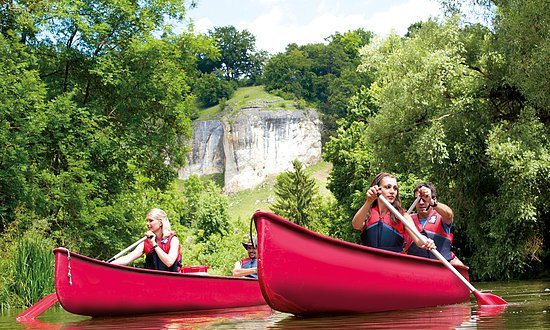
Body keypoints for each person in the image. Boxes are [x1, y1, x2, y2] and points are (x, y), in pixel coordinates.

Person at [352, 172, 435, 253]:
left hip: (392, 262)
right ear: (378, 189)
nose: (392, 191)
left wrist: (427, 242)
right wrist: (369, 201)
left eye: (395, 188)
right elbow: (356, 225)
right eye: (388, 187)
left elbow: (419, 239)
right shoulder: (367, 212)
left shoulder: (403, 216)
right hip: (368, 261)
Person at [405, 182, 465, 266]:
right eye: (418, 200)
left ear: (433, 199)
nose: (421, 203)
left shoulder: (442, 216)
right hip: (416, 267)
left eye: (425, 199)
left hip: (442, 265)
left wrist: (431, 201)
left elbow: (449, 214)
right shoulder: (407, 219)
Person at [111, 208, 183, 272]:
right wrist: (108, 264)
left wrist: (154, 244)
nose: (147, 224)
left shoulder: (173, 240)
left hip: (172, 280)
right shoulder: (145, 242)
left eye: (151, 221)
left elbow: (169, 262)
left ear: (161, 222)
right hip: (153, 280)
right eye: (147, 221)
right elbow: (128, 258)